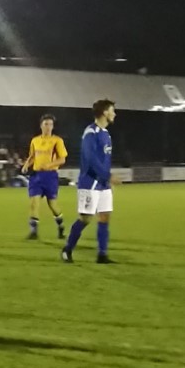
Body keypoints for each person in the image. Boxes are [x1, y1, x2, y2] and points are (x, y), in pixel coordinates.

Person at [63, 100, 117, 264]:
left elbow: (104, 159)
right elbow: (91, 159)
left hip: (104, 185)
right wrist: (108, 176)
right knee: (86, 218)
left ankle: (102, 254)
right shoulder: (90, 133)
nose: (114, 114)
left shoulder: (106, 134)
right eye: (112, 111)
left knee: (104, 217)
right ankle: (67, 249)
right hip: (90, 183)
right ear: (104, 113)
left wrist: (108, 182)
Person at [20, 114, 68, 240]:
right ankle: (34, 231)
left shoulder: (57, 140)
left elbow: (62, 159)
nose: (48, 127)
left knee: (52, 204)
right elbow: (32, 156)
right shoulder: (35, 140)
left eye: (50, 124)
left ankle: (61, 227)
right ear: (41, 125)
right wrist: (26, 165)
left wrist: (49, 165)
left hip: (50, 176)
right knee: (34, 203)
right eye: (46, 124)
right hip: (36, 176)